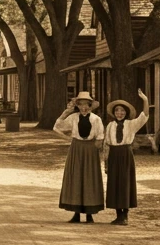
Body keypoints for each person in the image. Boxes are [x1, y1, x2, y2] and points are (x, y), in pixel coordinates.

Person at [54, 92, 105, 223]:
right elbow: (58, 127)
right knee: (76, 177)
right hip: (76, 148)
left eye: (86, 105)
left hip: (90, 149)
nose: (84, 107)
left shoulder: (96, 119)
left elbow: (100, 136)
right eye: (81, 104)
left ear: (90, 105)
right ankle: (76, 213)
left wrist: (96, 149)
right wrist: (66, 113)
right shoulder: (73, 118)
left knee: (89, 179)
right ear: (78, 106)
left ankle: (89, 214)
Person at [104, 90, 149, 225]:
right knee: (114, 183)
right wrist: (106, 162)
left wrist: (145, 100)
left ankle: (125, 215)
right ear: (114, 112)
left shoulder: (131, 124)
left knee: (125, 182)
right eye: (117, 110)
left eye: (122, 111)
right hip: (113, 154)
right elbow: (106, 144)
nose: (120, 113)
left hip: (125, 154)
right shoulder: (110, 125)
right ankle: (118, 214)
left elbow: (144, 116)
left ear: (126, 113)